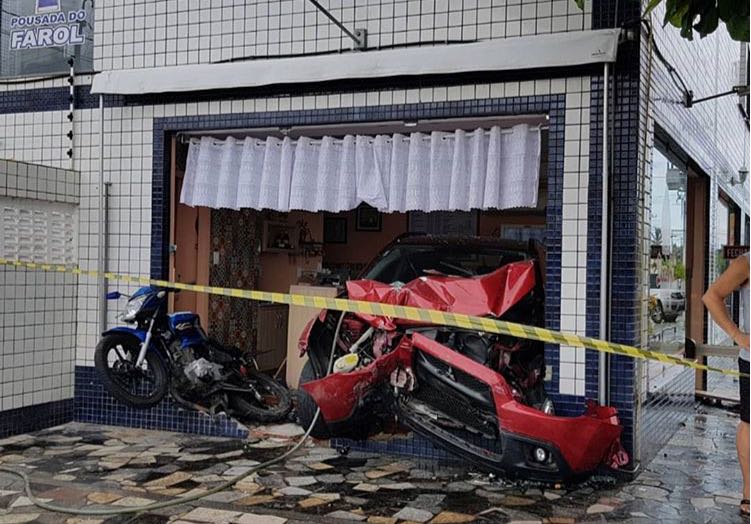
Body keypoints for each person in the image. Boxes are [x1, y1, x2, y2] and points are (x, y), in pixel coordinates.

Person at [703, 252, 750, 516]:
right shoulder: (746, 263)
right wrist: (737, 335)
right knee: (749, 423)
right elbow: (711, 297)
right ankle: (749, 495)